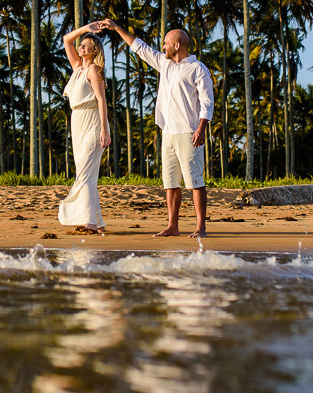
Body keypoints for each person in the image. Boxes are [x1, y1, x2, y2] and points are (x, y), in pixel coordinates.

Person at [98, 19, 214, 238]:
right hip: (168, 132)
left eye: (166, 43)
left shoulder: (197, 68)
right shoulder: (165, 63)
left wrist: (201, 128)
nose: (163, 47)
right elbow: (139, 47)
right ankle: (173, 226)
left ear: (177, 45)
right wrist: (117, 28)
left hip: (189, 132)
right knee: (170, 184)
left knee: (195, 182)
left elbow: (207, 101)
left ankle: (200, 227)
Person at [58, 22, 112, 234]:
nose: (82, 47)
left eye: (87, 44)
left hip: (93, 121)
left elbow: (101, 100)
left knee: (85, 173)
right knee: (85, 173)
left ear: (95, 50)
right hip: (77, 121)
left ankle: (88, 221)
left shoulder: (94, 70)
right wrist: (87, 27)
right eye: (81, 45)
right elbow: (66, 39)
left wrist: (104, 130)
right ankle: (96, 222)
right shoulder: (77, 68)